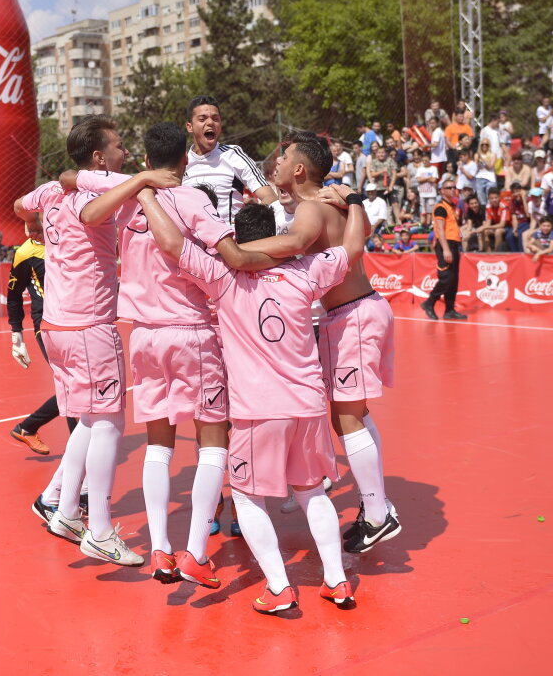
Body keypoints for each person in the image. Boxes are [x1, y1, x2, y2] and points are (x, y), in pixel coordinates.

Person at [135, 189, 365, 613]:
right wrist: (354, 201)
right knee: (313, 492)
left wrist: (146, 191)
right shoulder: (305, 271)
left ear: (236, 239)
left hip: (260, 410)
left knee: (245, 496)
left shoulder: (223, 276)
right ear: (275, 236)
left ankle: (279, 587)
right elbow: (353, 245)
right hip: (309, 404)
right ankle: (337, 582)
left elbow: (170, 243)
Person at [74, 122, 279, 587]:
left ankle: (160, 551)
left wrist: (140, 185)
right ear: (185, 160)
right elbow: (229, 253)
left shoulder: (126, 196)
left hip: (143, 335)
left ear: (146, 159)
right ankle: (194, 552)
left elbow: (82, 199)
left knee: (158, 445)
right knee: (213, 442)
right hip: (190, 332)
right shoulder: (190, 199)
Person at [13, 115, 179, 568]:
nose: (126, 152)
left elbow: (17, 205)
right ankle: (101, 529)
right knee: (108, 423)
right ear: (99, 157)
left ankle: (66, 511)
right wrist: (144, 178)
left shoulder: (49, 191)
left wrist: (36, 224)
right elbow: (117, 204)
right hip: (89, 324)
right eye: (119, 146)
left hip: (56, 326)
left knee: (89, 420)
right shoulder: (105, 195)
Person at [238, 134, 400, 554]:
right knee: (351, 414)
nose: (275, 161)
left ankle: (378, 514)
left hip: (354, 315)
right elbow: (356, 234)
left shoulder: (312, 207)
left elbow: (293, 244)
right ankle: (375, 506)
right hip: (353, 312)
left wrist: (233, 252)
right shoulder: (328, 204)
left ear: (299, 169)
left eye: (284, 156)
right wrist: (355, 199)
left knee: (347, 417)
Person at [7, 214, 75, 459]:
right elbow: (13, 296)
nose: (29, 232)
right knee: (71, 385)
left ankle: (27, 428)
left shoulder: (68, 239)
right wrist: (17, 336)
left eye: (34, 225)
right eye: (26, 226)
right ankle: (77, 451)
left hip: (76, 321)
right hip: (46, 325)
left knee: (76, 386)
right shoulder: (26, 252)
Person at [182, 95, 276, 224]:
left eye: (215, 119)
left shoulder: (233, 155)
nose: (210, 123)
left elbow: (270, 197)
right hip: (192, 242)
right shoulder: (181, 162)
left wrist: (246, 225)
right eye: (202, 119)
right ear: (189, 127)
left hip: (231, 240)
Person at [421, 176, 467, 321]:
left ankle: (449, 309)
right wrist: (446, 249)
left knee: (454, 279)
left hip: (453, 244)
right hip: (445, 244)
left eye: (454, 187)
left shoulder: (451, 207)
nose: (453, 190)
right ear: (442, 191)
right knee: (446, 278)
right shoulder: (441, 207)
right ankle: (430, 302)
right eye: (449, 188)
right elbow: (440, 230)